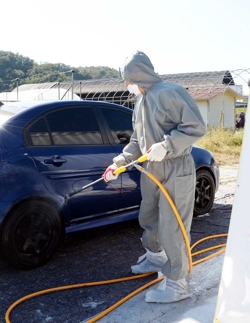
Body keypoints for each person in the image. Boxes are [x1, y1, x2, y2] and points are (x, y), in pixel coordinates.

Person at [103, 51, 206, 303]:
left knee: (173, 227)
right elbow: (137, 141)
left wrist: (168, 145)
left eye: (128, 79)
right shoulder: (141, 102)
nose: (126, 85)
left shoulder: (170, 92)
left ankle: (177, 283)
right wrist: (119, 163)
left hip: (175, 167)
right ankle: (156, 258)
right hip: (151, 169)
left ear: (139, 74)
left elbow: (196, 127)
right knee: (148, 217)